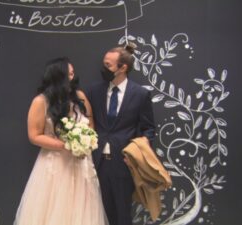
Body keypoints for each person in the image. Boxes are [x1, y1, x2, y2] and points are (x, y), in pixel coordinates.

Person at [14, 57, 108, 225]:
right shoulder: (40, 101)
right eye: (69, 74)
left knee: (82, 206)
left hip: (81, 162)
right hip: (55, 164)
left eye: (73, 73)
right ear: (58, 76)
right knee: (54, 207)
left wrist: (85, 141)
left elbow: (90, 124)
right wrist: (66, 145)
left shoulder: (80, 96)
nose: (73, 77)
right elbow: (34, 135)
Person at [87, 43, 156, 225]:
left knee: (122, 214)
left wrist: (137, 154)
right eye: (104, 64)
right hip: (96, 161)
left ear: (123, 67)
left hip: (124, 163)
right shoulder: (94, 90)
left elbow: (148, 129)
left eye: (108, 65)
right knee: (97, 212)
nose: (104, 68)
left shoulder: (140, 94)